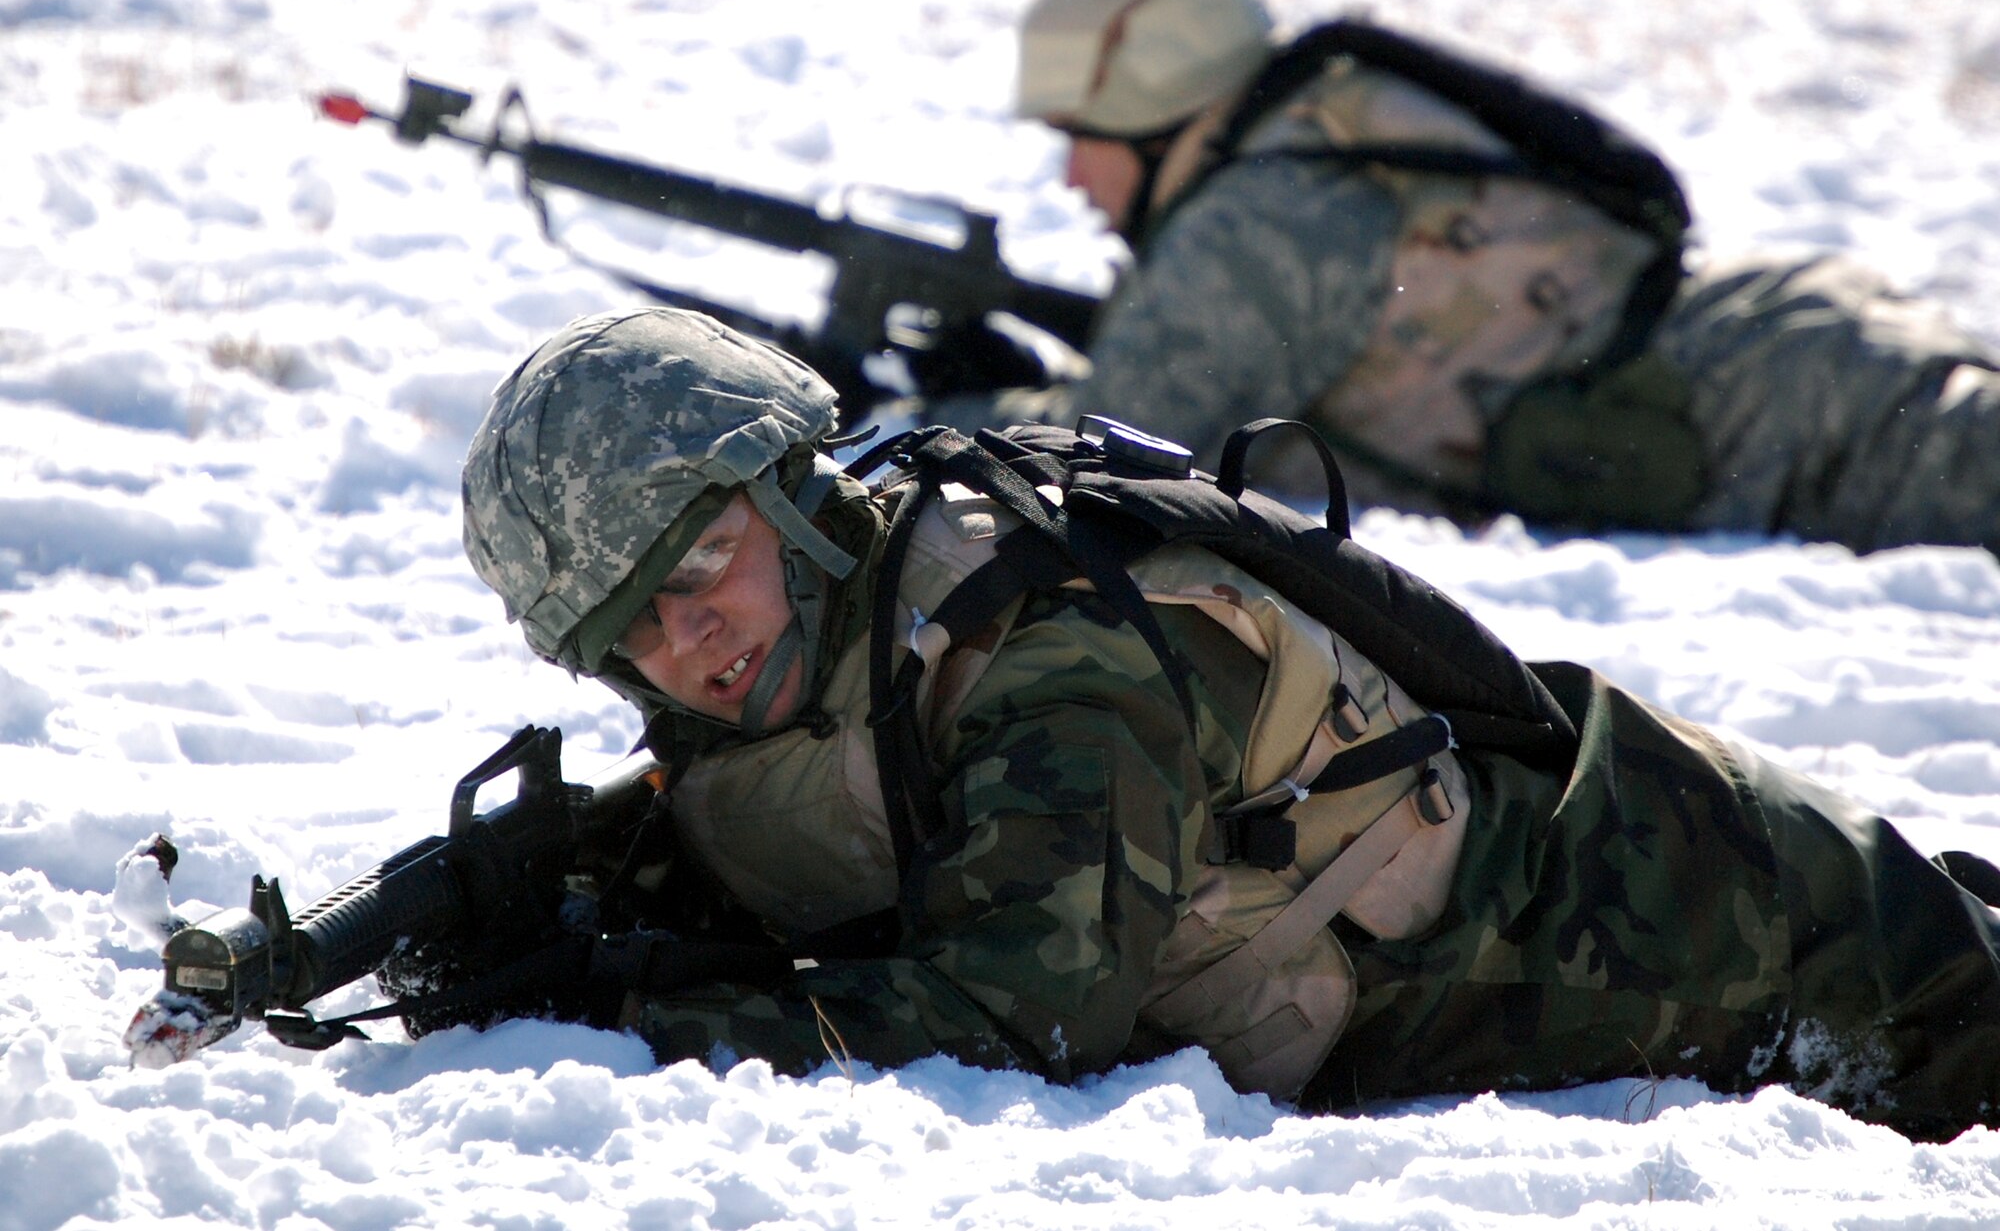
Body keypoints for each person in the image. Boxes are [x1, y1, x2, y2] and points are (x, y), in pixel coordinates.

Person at [454, 304, 2000, 1141]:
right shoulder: (822, 630)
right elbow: (781, 822)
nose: (689, 643)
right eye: (629, 633)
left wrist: (611, 1017)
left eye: (703, 567)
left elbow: (1014, 1027)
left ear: (789, 494)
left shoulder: (1046, 654)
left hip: (1698, 927)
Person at [1009, 0, 2000, 556]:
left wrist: (961, 396)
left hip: (1806, 418)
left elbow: (1097, 456)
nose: (1069, 181)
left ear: (1152, 107)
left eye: (1079, 141)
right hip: (1792, 354)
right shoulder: (1310, 149)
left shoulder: (1259, 216)